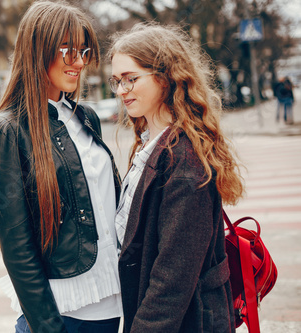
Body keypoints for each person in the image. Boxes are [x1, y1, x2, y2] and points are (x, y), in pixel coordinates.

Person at [0, 1, 122, 332]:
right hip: (62, 315)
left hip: (115, 307)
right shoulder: (6, 131)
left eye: (84, 52)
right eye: (68, 51)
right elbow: (18, 249)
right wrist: (47, 327)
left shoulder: (85, 117)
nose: (79, 63)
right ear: (38, 49)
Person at [108, 23, 244, 333]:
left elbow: (173, 279)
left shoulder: (183, 160)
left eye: (131, 79)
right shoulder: (151, 143)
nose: (121, 90)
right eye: (116, 81)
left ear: (164, 77)